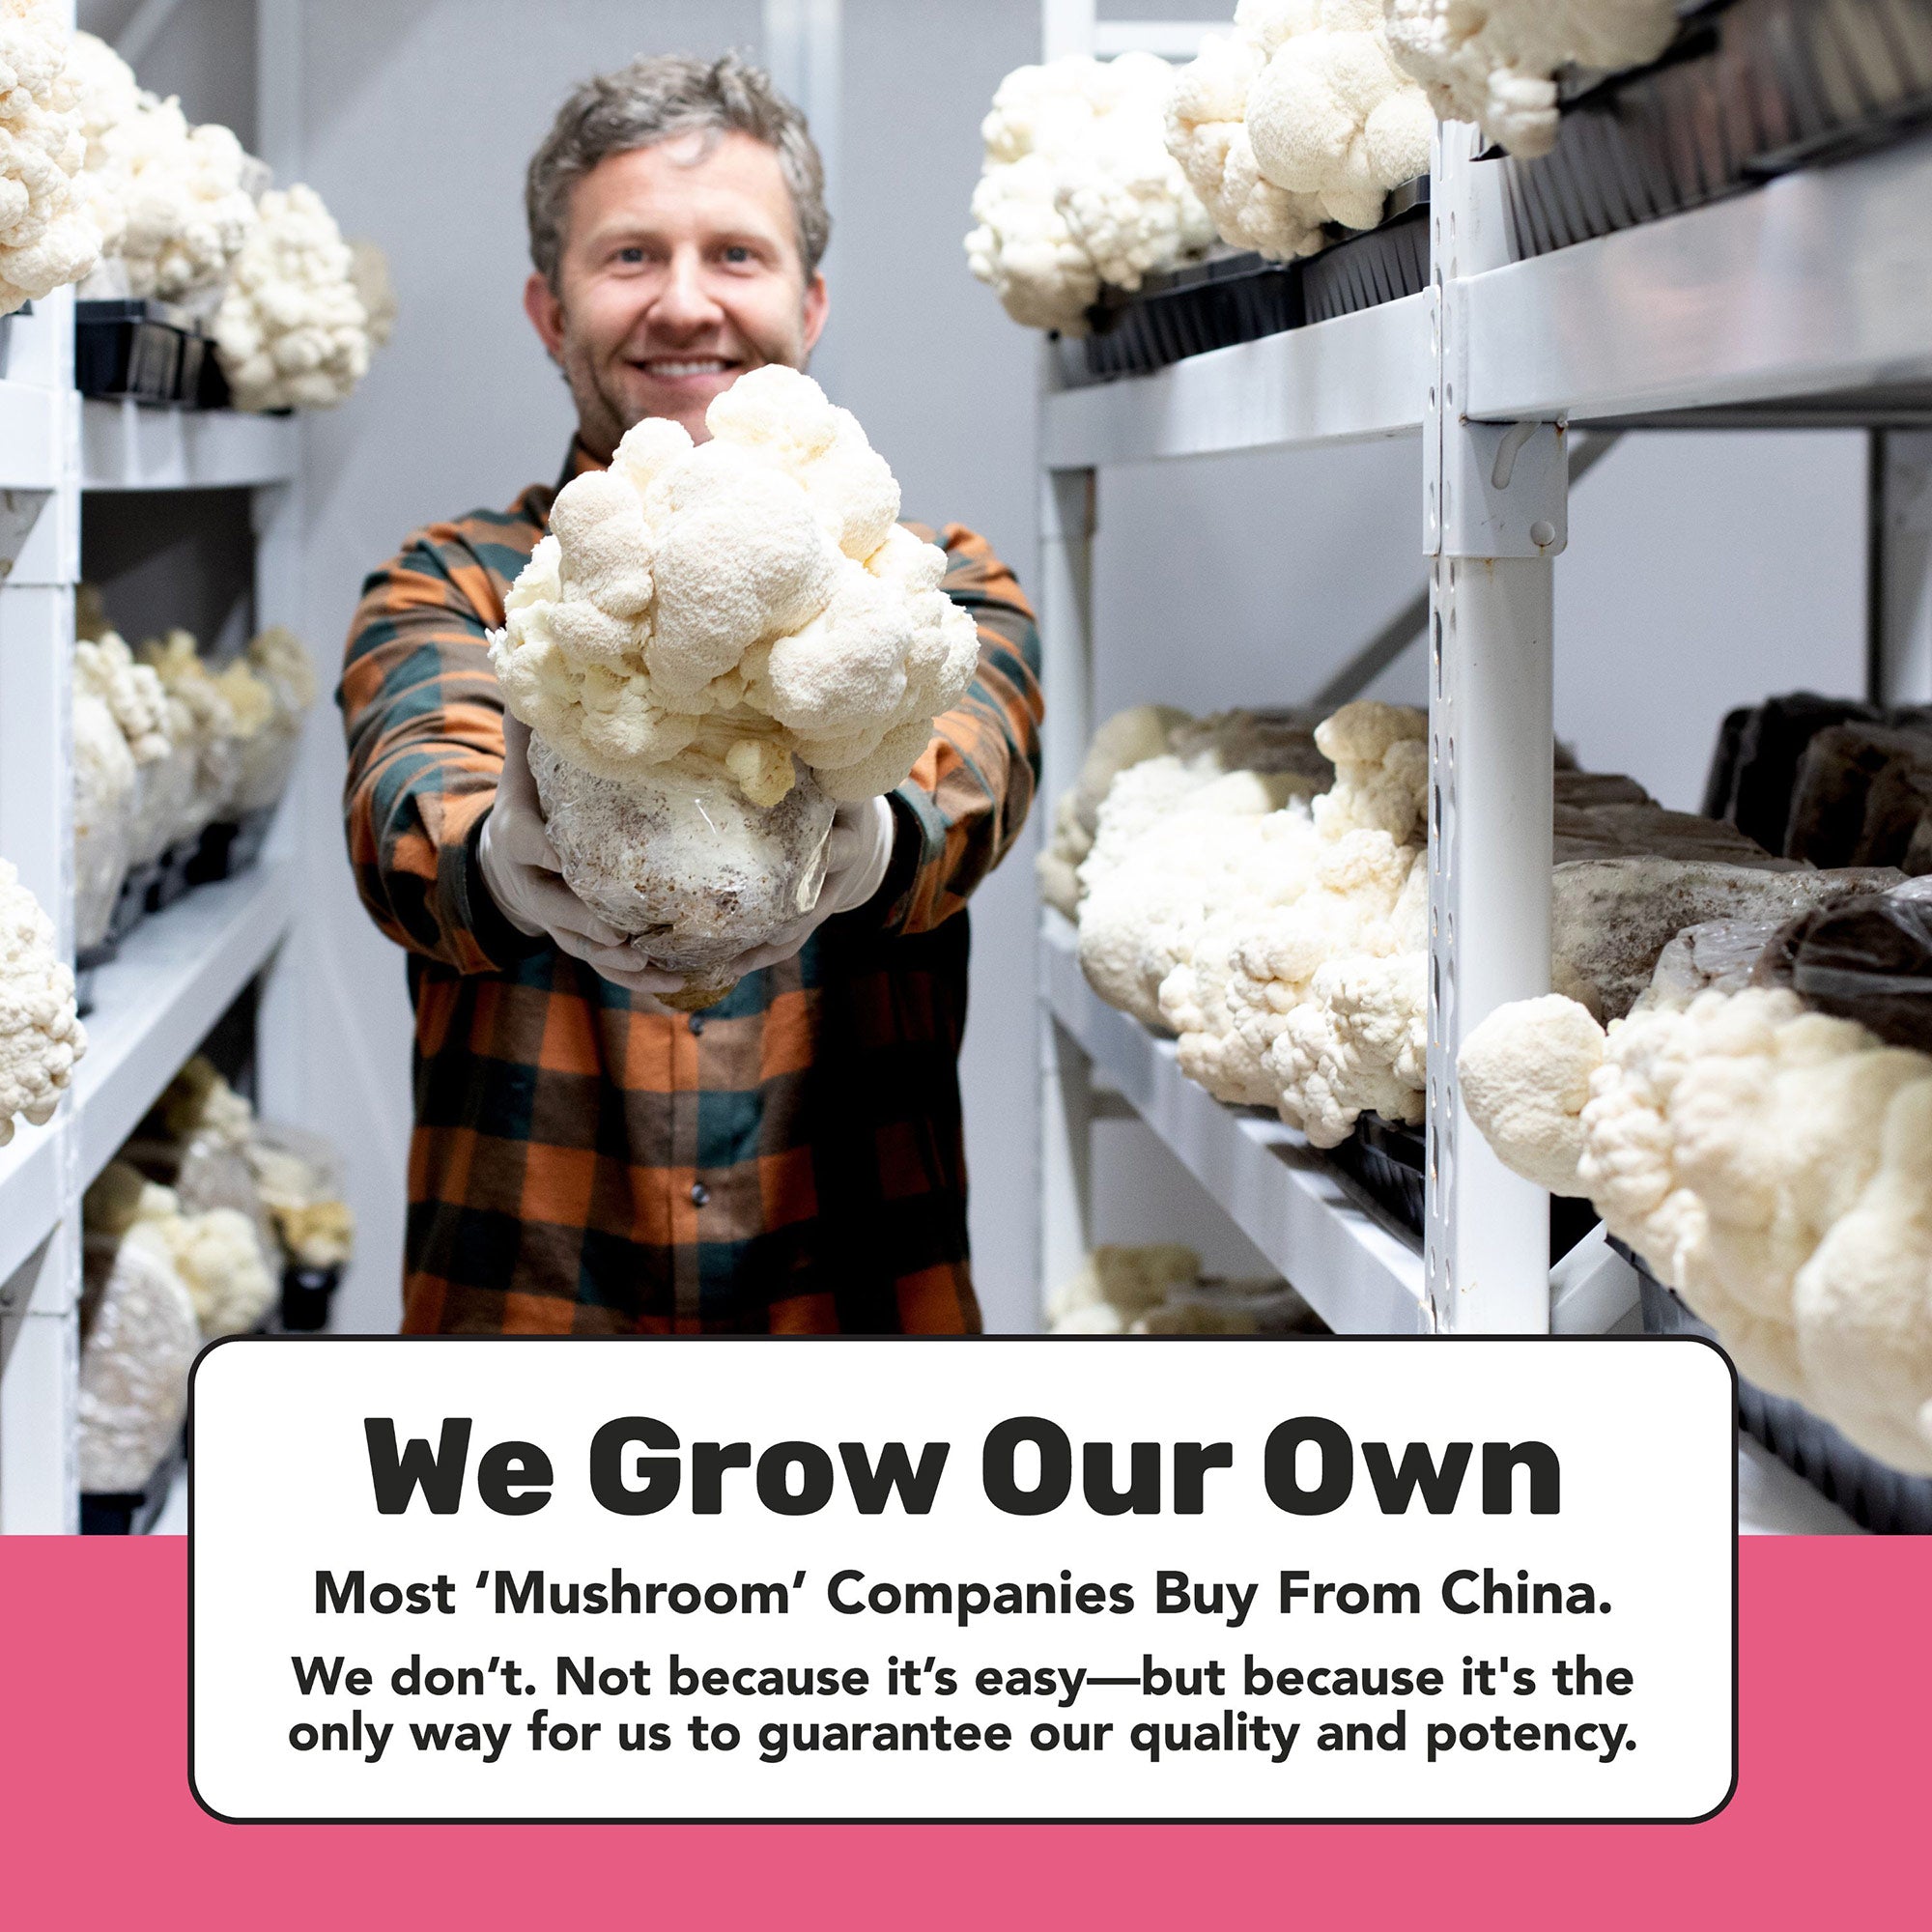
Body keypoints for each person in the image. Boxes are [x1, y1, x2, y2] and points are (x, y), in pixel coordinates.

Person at [339, 54, 1041, 1337]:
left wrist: (873, 837)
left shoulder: (928, 592)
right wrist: (503, 860)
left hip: (852, 1364)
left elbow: (969, 768)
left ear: (809, 303)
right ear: (551, 313)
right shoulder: (450, 584)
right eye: (627, 259)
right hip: (518, 1376)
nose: (683, 304)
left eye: (735, 255)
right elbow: (409, 806)